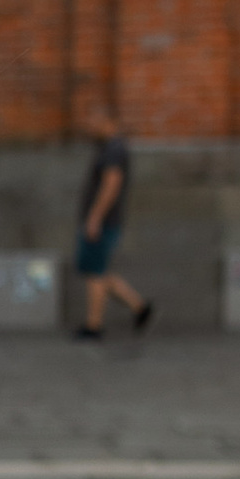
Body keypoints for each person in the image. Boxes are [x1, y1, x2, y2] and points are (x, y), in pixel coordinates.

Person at [74, 130, 152, 336]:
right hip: (103, 222)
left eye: (91, 117)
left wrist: (95, 218)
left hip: (101, 223)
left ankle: (94, 325)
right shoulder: (110, 147)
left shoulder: (113, 149)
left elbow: (112, 183)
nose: (87, 124)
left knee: (95, 273)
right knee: (98, 270)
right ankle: (139, 307)